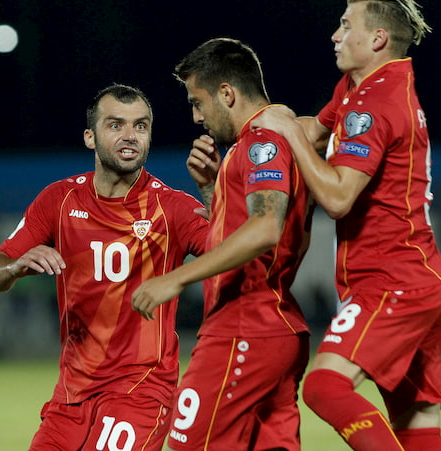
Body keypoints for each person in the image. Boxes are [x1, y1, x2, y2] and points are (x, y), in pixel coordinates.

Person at [251, 0, 441, 450]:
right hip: (420, 278)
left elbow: (339, 198)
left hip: (393, 282)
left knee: (325, 387)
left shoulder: (376, 104)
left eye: (347, 25)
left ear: (378, 38)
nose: (335, 35)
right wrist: (255, 124)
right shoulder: (361, 87)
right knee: (417, 431)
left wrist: (290, 135)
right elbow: (313, 130)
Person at [0, 84, 210, 450]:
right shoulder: (59, 200)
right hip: (71, 395)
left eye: (141, 126)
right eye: (115, 125)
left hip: (140, 391)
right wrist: (13, 268)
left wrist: (213, 193)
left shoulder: (172, 209)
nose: (130, 136)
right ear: (90, 137)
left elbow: (234, 254)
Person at [131, 37, 311, 450]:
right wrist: (214, 190)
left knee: (185, 445)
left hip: (244, 327)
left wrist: (175, 278)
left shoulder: (261, 143)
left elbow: (267, 228)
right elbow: (257, 230)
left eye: (198, 102)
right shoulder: (266, 144)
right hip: (276, 328)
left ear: (227, 93)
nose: (196, 116)